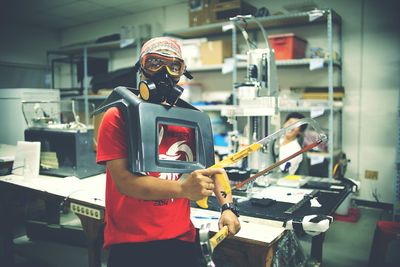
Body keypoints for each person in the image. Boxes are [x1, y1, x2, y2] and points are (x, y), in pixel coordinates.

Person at [96, 37, 240, 267]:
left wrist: (228, 208)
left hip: (181, 237)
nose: (164, 72)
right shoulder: (118, 116)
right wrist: (183, 188)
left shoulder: (190, 120)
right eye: (154, 63)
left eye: (174, 66)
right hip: (131, 242)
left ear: (182, 72)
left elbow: (213, 171)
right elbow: (124, 182)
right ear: (141, 67)